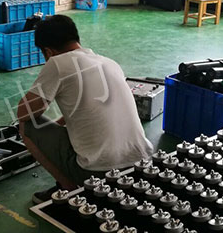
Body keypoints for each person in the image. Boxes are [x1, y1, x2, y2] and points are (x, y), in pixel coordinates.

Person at [16, 15, 153, 204]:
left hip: (98, 173)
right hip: (142, 166)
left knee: (27, 126)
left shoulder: (58, 63)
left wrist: (45, 102)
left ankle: (71, 190)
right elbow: (88, 109)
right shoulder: (109, 63)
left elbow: (24, 113)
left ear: (48, 51)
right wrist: (58, 124)